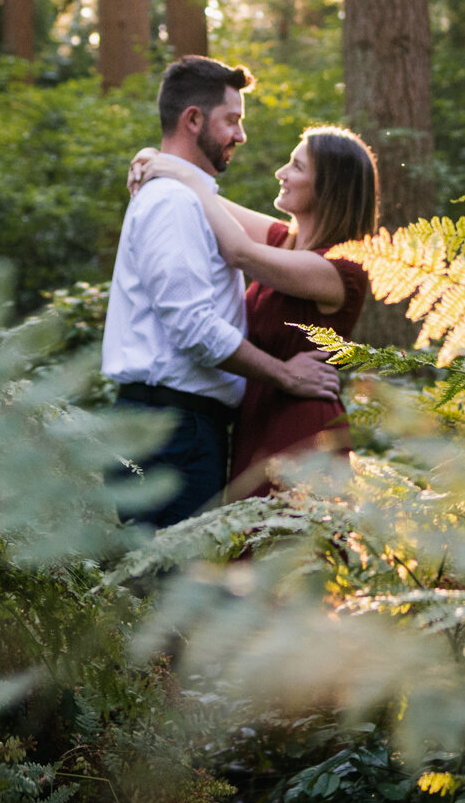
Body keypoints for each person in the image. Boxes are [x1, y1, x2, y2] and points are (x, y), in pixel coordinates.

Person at [104, 56, 341, 527]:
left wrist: (161, 161)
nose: (241, 135)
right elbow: (194, 327)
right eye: (232, 120)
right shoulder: (173, 203)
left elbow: (253, 239)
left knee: (170, 582)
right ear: (193, 119)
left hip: (178, 427)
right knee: (174, 586)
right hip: (171, 431)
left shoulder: (188, 197)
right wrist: (285, 375)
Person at [131, 124, 378, 498]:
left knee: (282, 548)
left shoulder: (342, 269)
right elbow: (209, 204)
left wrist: (185, 176)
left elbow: (238, 252)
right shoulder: (286, 241)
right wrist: (157, 159)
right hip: (258, 419)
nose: (281, 173)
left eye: (296, 167)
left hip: (301, 427)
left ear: (328, 186)